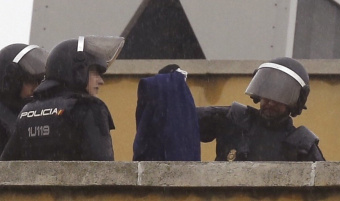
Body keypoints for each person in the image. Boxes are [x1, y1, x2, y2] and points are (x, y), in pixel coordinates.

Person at [0, 35, 124, 161]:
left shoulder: (27, 111)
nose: (100, 81)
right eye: (95, 73)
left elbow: (6, 168)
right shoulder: (89, 108)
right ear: (78, 71)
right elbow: (103, 169)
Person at [197, 57, 325, 161]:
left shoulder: (301, 145)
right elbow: (184, 119)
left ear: (295, 102)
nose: (270, 102)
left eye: (280, 97)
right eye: (266, 93)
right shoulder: (234, 119)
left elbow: (323, 187)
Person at [133, 64, 200, 161]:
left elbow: (143, 135)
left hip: (154, 162)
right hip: (180, 165)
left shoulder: (154, 92)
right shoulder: (185, 111)